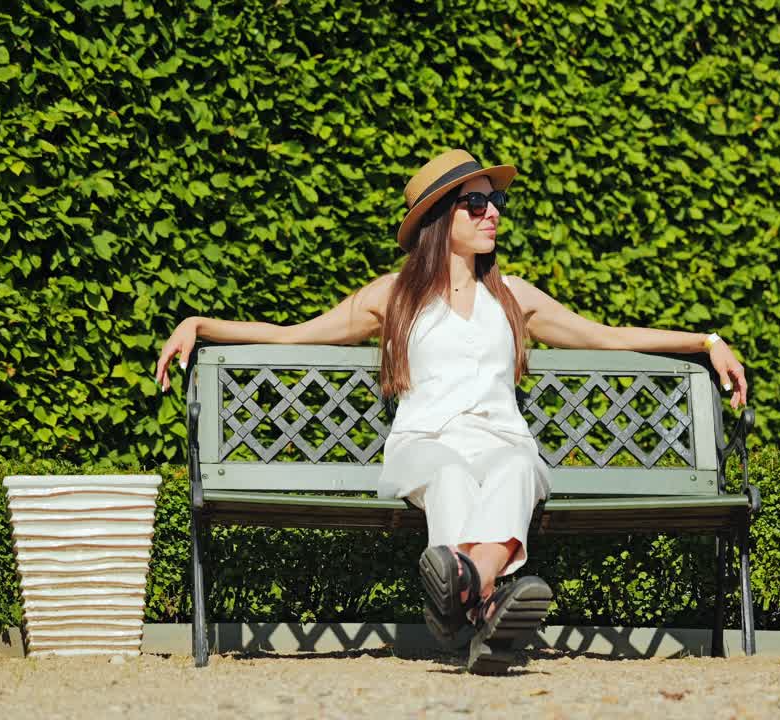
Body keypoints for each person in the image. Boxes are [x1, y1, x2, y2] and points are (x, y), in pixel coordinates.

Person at [154, 149, 748, 673]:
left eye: (495, 202)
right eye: (477, 202)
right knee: (451, 474)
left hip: (504, 443)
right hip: (425, 445)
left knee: (519, 469)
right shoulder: (394, 294)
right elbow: (295, 335)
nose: (494, 212)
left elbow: (608, 337)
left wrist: (706, 342)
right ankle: (489, 599)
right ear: (441, 218)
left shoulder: (513, 296)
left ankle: (467, 595)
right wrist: (200, 324)